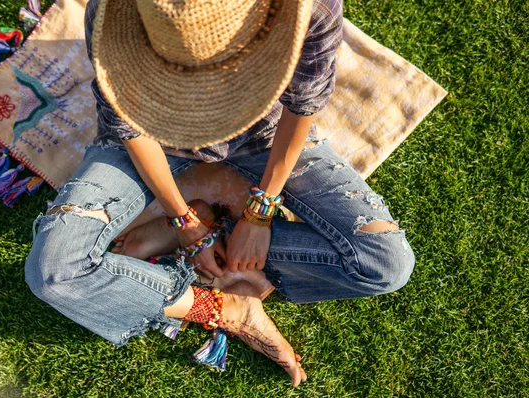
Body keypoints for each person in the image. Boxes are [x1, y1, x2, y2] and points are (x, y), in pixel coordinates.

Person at [25, 0, 415, 387]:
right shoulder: (114, 14)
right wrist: (183, 219)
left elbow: (302, 106)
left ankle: (216, 234)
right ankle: (230, 309)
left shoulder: (312, 9)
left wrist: (260, 212)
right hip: (151, 137)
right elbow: (130, 130)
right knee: (55, 270)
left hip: (261, 137)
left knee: (385, 263)